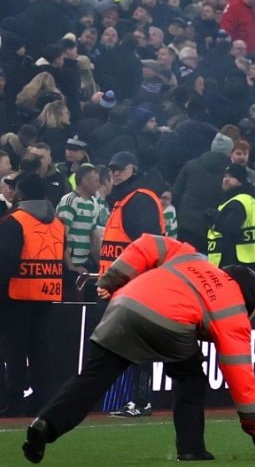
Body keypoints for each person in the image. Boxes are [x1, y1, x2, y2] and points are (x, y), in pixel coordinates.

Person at [21, 234, 255, 463]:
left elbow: (148, 244)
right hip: (171, 322)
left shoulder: (191, 256)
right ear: (251, 299)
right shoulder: (234, 310)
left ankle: (46, 424)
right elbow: (241, 375)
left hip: (124, 305)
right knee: (190, 380)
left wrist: (111, 279)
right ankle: (191, 450)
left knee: (93, 379)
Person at [0, 173, 64, 415]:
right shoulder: (57, 223)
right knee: (40, 350)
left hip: (15, 295)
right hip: (45, 294)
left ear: (21, 192)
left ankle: (14, 402)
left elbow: (5, 261)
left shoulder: (15, 221)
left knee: (14, 351)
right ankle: (43, 401)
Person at [96, 152, 164, 275]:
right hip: (113, 281)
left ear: (134, 170)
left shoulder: (142, 200)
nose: (116, 173)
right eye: (113, 169)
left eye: (121, 169)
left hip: (131, 281)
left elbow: (150, 247)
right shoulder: (121, 200)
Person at [55, 163, 108, 300]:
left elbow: (93, 236)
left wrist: (101, 264)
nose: (99, 185)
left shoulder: (93, 203)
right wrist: (70, 265)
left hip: (84, 264)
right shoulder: (70, 201)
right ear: (85, 181)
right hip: (68, 267)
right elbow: (61, 235)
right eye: (96, 181)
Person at [206, 165, 255, 272]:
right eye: (225, 176)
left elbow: (229, 227)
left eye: (231, 176)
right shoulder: (247, 199)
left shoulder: (238, 201)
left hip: (234, 260)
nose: (226, 179)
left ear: (240, 181)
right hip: (246, 258)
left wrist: (213, 215)